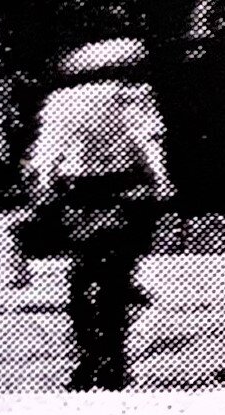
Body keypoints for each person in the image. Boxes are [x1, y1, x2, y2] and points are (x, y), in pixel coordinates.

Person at [23, 39, 172, 391]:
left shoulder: (60, 101)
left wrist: (43, 186)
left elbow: (47, 151)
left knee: (82, 275)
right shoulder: (134, 95)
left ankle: (87, 358)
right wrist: (162, 181)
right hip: (127, 191)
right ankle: (114, 360)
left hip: (79, 196)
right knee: (117, 275)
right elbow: (149, 140)